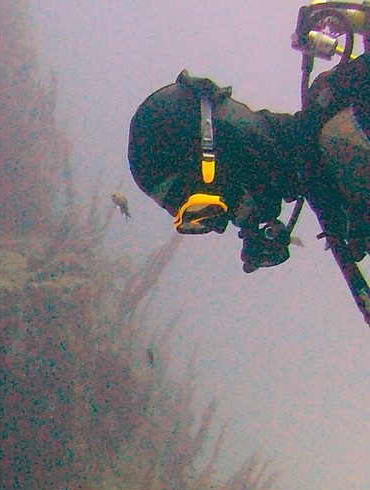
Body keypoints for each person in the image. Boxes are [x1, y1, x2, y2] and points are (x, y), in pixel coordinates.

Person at [127, 15, 370, 324]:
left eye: (201, 209)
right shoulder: (330, 172)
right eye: (196, 223)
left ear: (218, 148)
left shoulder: (345, 133)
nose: (220, 225)